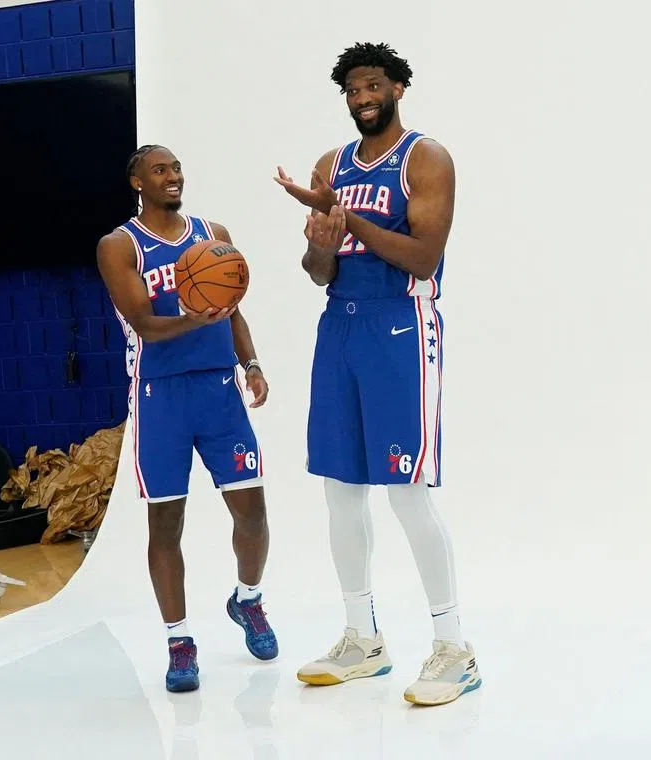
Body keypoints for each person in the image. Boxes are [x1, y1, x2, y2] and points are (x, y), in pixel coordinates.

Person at [274, 42, 481, 706]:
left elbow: (423, 256)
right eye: (351, 89)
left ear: (397, 87)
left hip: (399, 326)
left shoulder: (425, 157)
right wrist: (322, 241)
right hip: (341, 323)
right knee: (340, 488)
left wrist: (347, 215)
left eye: (371, 85)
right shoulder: (329, 164)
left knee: (407, 492)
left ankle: (454, 649)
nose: (361, 96)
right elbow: (318, 272)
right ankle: (362, 639)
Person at [97, 144, 279, 693]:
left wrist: (251, 363)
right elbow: (146, 324)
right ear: (136, 181)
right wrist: (196, 318)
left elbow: (234, 305)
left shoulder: (211, 231)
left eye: (176, 168)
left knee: (252, 511)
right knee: (166, 525)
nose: (172, 176)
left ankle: (247, 601)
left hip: (220, 390)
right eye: (159, 170)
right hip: (160, 398)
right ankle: (179, 642)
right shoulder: (118, 245)